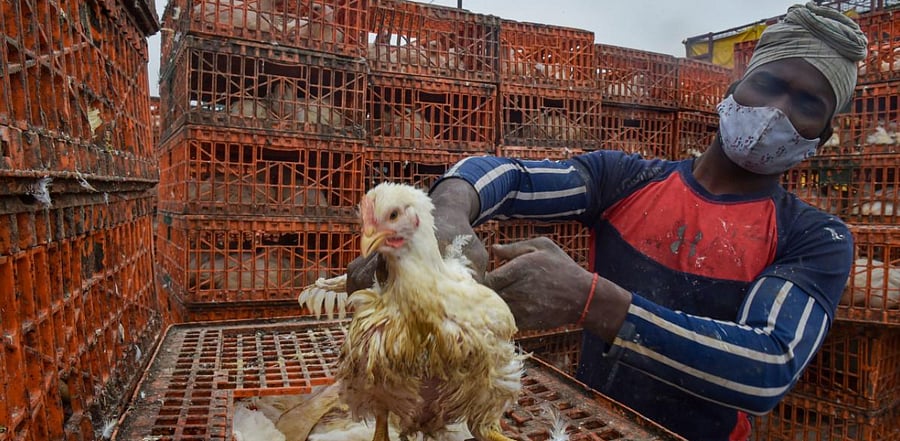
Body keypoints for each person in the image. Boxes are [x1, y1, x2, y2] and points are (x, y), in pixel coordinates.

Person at [347, 2, 867, 440]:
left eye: (807, 104)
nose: (777, 110)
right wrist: (450, 213)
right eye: (770, 84)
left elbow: (767, 368)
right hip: (588, 422)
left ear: (821, 136)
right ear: (735, 89)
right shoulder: (624, 178)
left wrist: (591, 300)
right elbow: (509, 176)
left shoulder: (812, 238)